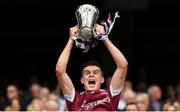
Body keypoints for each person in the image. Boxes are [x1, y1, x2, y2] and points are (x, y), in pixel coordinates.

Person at [55, 24, 128, 111]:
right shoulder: (75, 98)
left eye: (96, 72)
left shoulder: (110, 94)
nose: (91, 75)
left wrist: (105, 38)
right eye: (87, 73)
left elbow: (123, 66)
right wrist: (71, 39)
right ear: (82, 80)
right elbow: (60, 70)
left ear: (102, 79)